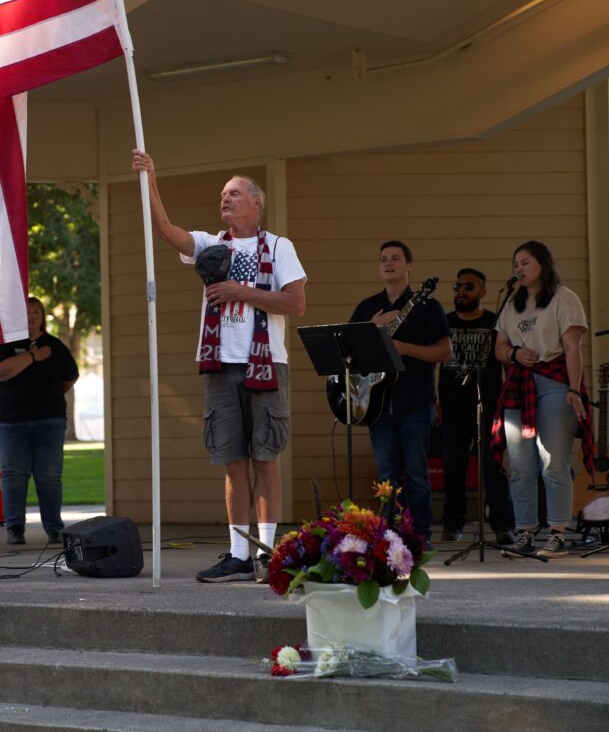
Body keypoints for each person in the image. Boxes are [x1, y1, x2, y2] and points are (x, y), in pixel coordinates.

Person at [131, 150, 307, 583]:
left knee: (265, 458)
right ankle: (238, 555)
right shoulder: (213, 246)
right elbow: (168, 232)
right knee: (232, 460)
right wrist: (150, 177)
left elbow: (295, 303)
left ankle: (268, 553)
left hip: (265, 363)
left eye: (234, 193)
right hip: (220, 364)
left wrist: (240, 292)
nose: (225, 200)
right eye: (222, 195)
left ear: (256, 202)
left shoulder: (280, 247)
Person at [492, 240, 592, 558]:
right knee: (520, 464)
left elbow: (573, 348)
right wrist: (513, 353)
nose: (519, 268)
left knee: (553, 461)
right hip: (519, 387)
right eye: (516, 263)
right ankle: (524, 533)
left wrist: (574, 390)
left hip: (554, 383)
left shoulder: (565, 299)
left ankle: (558, 533)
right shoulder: (511, 303)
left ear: (543, 265)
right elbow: (499, 348)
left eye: (525, 262)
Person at [350, 241, 451, 544]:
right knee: (386, 476)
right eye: (383, 259)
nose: (389, 263)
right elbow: (350, 350)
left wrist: (404, 348)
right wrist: (372, 327)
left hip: (415, 401)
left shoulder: (427, 306)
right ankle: (389, 534)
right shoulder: (369, 307)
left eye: (395, 258)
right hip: (377, 405)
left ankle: (420, 534)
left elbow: (445, 351)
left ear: (409, 266)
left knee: (416, 473)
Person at [0, 296, 79, 546]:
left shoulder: (55, 345)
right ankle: (15, 528)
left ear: (43, 316)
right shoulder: (7, 343)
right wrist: (32, 357)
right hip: (11, 420)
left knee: (49, 475)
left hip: (49, 420)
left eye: (36, 311)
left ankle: (54, 528)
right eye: (27, 311)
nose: (31, 316)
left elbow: (70, 378)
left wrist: (47, 394)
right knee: (14, 475)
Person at [436, 269, 514, 544]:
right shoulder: (444, 323)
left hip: (489, 406)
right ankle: (453, 525)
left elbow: (507, 365)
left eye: (468, 287)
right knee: (453, 468)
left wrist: (507, 403)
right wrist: (436, 401)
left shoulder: (496, 323)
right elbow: (434, 363)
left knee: (492, 467)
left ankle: (503, 525)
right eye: (457, 286)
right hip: (452, 408)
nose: (461, 291)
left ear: (483, 292)